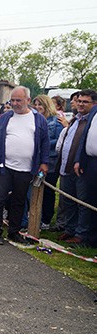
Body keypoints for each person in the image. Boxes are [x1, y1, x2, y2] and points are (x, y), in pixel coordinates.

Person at [0, 86, 50, 245]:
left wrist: (44, 162)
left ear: (28, 100)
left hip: (26, 168)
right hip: (3, 166)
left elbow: (45, 142)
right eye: (12, 100)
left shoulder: (38, 119)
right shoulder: (6, 118)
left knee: (18, 201)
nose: (14, 103)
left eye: (18, 100)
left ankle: (14, 231)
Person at [55, 89, 96, 244]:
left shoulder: (91, 121)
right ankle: (69, 229)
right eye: (79, 101)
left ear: (94, 104)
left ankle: (81, 233)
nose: (80, 104)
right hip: (66, 167)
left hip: (81, 170)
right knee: (68, 201)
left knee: (82, 203)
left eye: (85, 102)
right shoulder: (74, 120)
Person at [32, 95, 64, 229]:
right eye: (36, 105)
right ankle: (34, 217)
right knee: (36, 189)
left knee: (48, 191)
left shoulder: (56, 121)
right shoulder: (34, 120)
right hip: (35, 159)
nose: (38, 107)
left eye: (41, 105)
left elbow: (59, 140)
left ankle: (46, 219)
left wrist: (42, 143)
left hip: (50, 160)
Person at [73, 103, 97, 247]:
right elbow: (85, 137)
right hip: (91, 162)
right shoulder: (94, 110)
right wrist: (78, 159)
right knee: (91, 201)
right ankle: (91, 239)